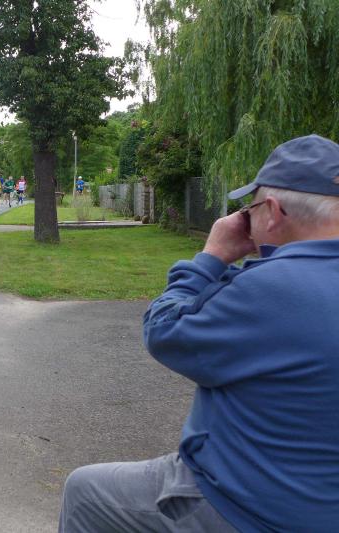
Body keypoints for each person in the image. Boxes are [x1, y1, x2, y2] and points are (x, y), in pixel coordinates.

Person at [58, 134, 339, 533]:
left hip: (247, 508)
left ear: (273, 212)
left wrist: (212, 255)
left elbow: (165, 329)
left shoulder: (272, 288)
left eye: (251, 208)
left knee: (84, 492)